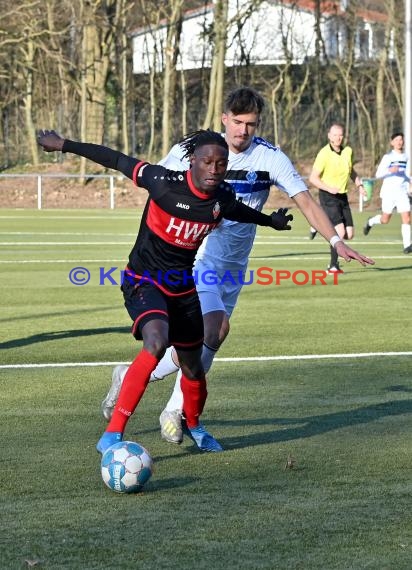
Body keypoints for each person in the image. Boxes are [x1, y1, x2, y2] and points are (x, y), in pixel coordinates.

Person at [101, 88, 375, 447]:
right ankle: (174, 411)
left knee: (209, 339)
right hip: (196, 257)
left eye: (251, 124)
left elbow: (304, 199)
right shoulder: (195, 151)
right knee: (215, 327)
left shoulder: (270, 157)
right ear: (224, 119)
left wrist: (336, 242)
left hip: (233, 265)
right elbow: (161, 189)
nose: (243, 131)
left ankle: (131, 376)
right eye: (238, 122)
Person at [37, 127, 296, 454]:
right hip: (142, 280)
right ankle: (112, 434)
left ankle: (195, 425)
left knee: (193, 366)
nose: (214, 170)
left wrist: (269, 221)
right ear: (192, 161)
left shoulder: (221, 198)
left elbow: (236, 211)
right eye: (207, 162)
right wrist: (64, 144)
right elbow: (116, 159)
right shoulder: (161, 182)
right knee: (157, 342)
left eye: (221, 163)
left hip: (181, 286)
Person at [308, 123, 367, 273]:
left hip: (342, 196)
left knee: (349, 234)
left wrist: (359, 185)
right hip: (328, 195)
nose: (338, 138)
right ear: (329, 136)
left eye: (340, 135)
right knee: (339, 233)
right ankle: (333, 266)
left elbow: (351, 170)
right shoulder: (324, 154)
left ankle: (317, 225)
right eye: (335, 135)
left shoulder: (348, 151)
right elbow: (313, 178)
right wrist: (328, 188)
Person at [363, 131, 412, 254]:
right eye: (396, 140)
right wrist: (390, 169)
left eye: (401, 140)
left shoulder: (406, 157)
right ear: (392, 142)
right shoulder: (388, 157)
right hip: (389, 192)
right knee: (385, 219)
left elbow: (407, 174)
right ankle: (370, 221)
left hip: (402, 192)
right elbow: (378, 174)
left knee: (406, 218)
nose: (399, 142)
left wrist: (409, 184)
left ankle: (407, 246)